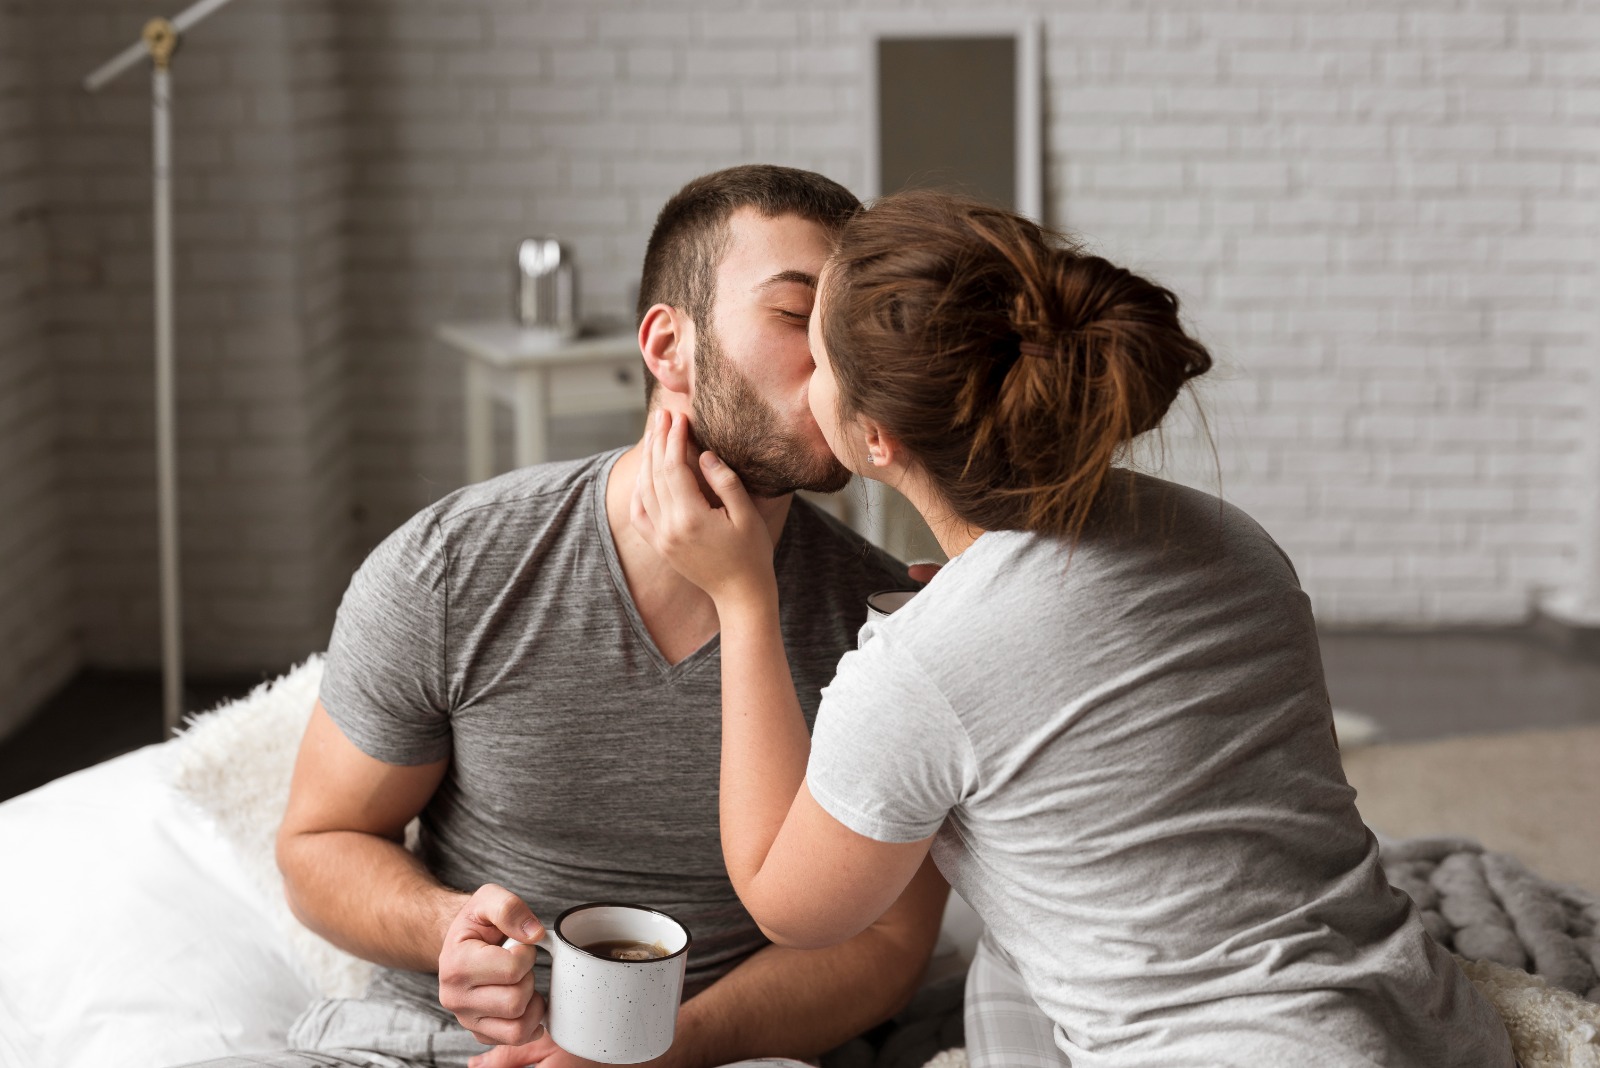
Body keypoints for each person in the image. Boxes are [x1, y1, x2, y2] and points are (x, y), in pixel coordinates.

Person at [632, 189, 1517, 1068]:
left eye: (817, 355)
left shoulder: (918, 667)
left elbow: (789, 906)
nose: (804, 375)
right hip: (1432, 1026)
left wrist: (744, 601)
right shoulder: (1231, 535)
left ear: (875, 439)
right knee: (1005, 959)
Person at [179, 165, 949, 1068]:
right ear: (668, 345)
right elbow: (319, 844)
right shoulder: (455, 566)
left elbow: (887, 942)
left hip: (724, 1054)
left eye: (853, 331)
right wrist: (447, 928)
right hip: (439, 1042)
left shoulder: (889, 624)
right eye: (795, 316)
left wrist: (661, 1048)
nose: (842, 367)